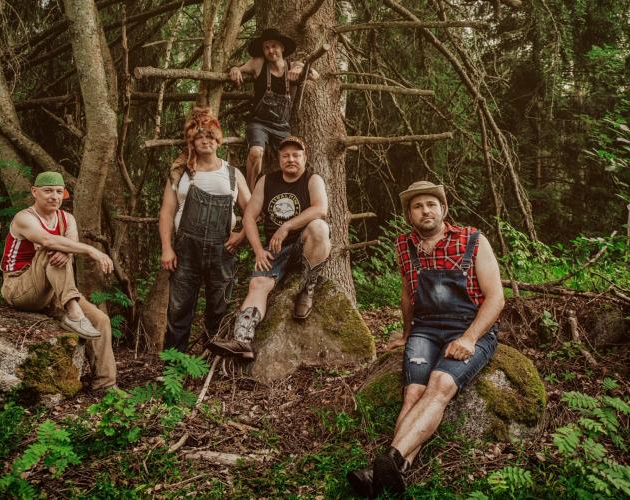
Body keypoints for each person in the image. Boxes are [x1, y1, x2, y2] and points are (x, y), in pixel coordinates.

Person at [346, 181, 505, 497]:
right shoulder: (403, 246)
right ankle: (393, 469)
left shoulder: (472, 239)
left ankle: (386, 461)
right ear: (409, 215)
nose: (425, 211)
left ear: (443, 209)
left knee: (440, 386)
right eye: (417, 206)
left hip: (469, 327)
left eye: (431, 204)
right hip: (426, 329)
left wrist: (471, 338)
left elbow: (497, 298)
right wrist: (406, 334)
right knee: (413, 392)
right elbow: (408, 293)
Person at [208, 136, 330, 360]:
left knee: (320, 228)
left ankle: (307, 287)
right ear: (279, 159)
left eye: (296, 155)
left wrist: (287, 226)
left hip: (303, 243)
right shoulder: (267, 181)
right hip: (275, 249)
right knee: (257, 283)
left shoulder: (313, 180)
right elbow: (249, 217)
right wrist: (257, 249)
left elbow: (320, 209)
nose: (291, 159)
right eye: (286, 156)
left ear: (305, 157)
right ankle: (242, 340)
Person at [0, 171, 118, 393]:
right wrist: (91, 250)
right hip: (18, 288)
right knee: (49, 249)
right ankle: (74, 314)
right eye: (47, 191)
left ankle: (106, 384)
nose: (54, 196)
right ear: (34, 192)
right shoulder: (24, 218)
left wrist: (68, 251)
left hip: (52, 291)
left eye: (58, 192)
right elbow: (47, 240)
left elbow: (69, 243)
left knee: (101, 320)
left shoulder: (67, 219)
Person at [159, 108, 251, 352]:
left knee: (218, 307)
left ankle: (213, 362)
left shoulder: (232, 174)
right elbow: (167, 212)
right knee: (179, 309)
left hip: (223, 249)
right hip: (185, 250)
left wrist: (241, 235)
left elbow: (252, 212)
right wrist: (167, 248)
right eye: (199, 136)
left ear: (218, 139)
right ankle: (173, 366)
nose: (205, 140)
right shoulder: (180, 173)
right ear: (191, 141)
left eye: (210, 136)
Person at [228, 28, 319, 190]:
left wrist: (300, 70)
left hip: (282, 126)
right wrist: (234, 70)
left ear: (282, 48)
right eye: (266, 47)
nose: (270, 50)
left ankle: (297, 191)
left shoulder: (294, 65)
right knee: (256, 152)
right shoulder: (258, 63)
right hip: (259, 123)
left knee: (296, 157)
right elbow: (237, 68)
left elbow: (315, 75)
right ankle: (249, 195)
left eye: (274, 46)